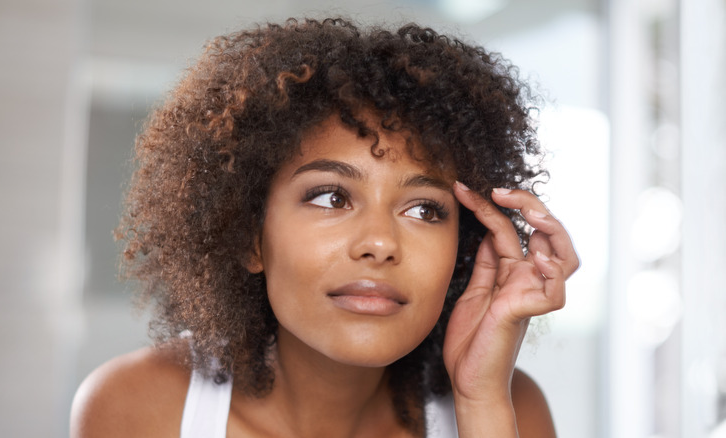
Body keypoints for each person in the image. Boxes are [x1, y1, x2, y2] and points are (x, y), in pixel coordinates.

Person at [70, 17, 579, 438]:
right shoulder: (140, 408)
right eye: (332, 197)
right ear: (250, 236)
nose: (380, 243)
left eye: (424, 209)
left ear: (464, 249)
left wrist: (481, 406)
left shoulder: (509, 411)